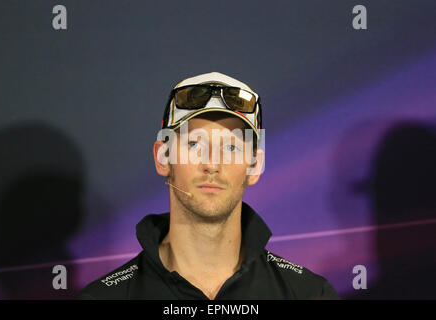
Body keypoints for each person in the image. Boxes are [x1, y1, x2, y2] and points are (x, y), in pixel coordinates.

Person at [79, 72, 339, 300]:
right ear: (163, 158)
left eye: (231, 147)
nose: (212, 164)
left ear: (255, 166)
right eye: (194, 145)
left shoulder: (307, 293)